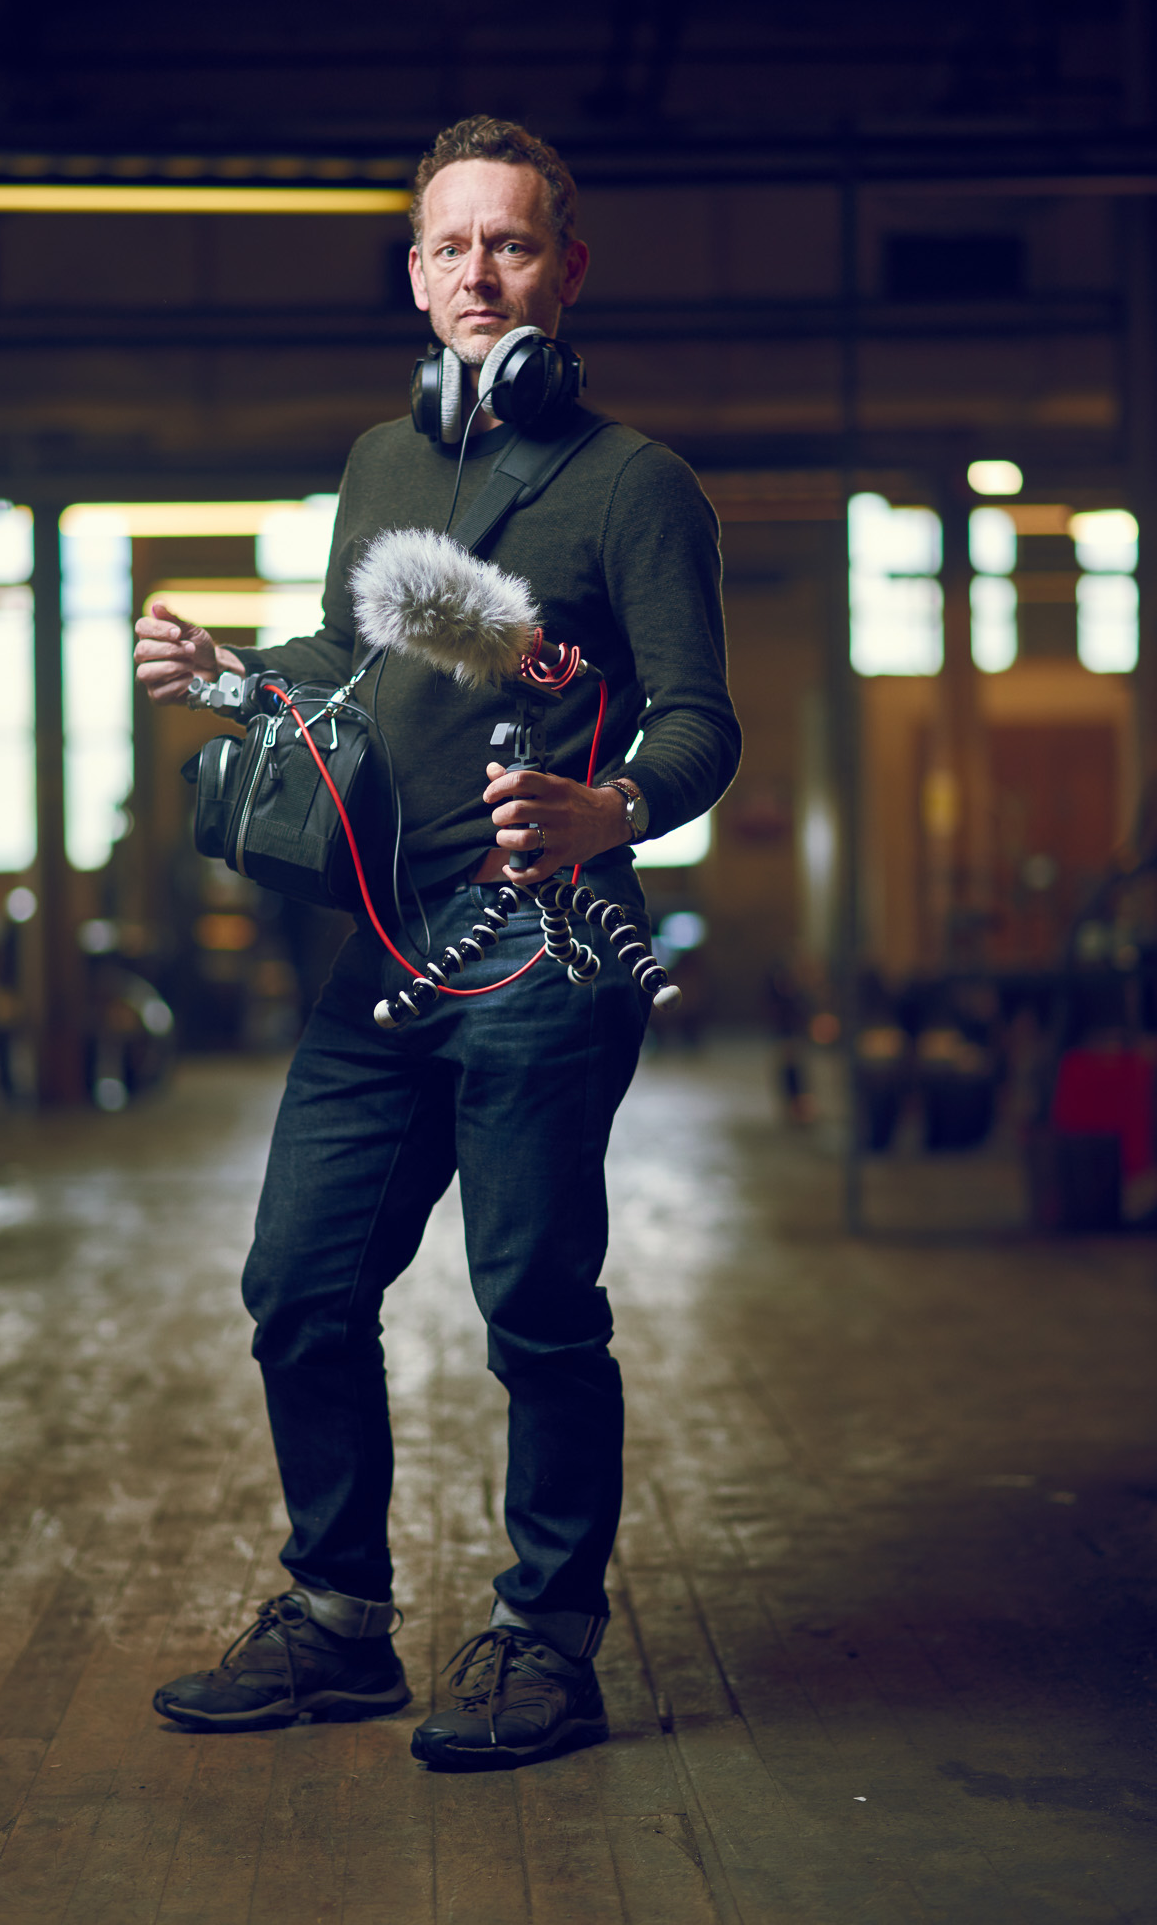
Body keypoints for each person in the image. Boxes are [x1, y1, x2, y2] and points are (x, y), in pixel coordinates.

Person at [134, 116, 741, 1769]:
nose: (480, 273)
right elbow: (355, 655)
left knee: (534, 1307)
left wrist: (612, 806)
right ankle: (336, 1624)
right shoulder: (382, 467)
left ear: (566, 267)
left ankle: (548, 1643)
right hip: (393, 950)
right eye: (450, 246)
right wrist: (230, 667)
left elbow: (701, 724)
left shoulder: (634, 488)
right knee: (299, 1285)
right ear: (415, 275)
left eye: (514, 243)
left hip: (551, 951)